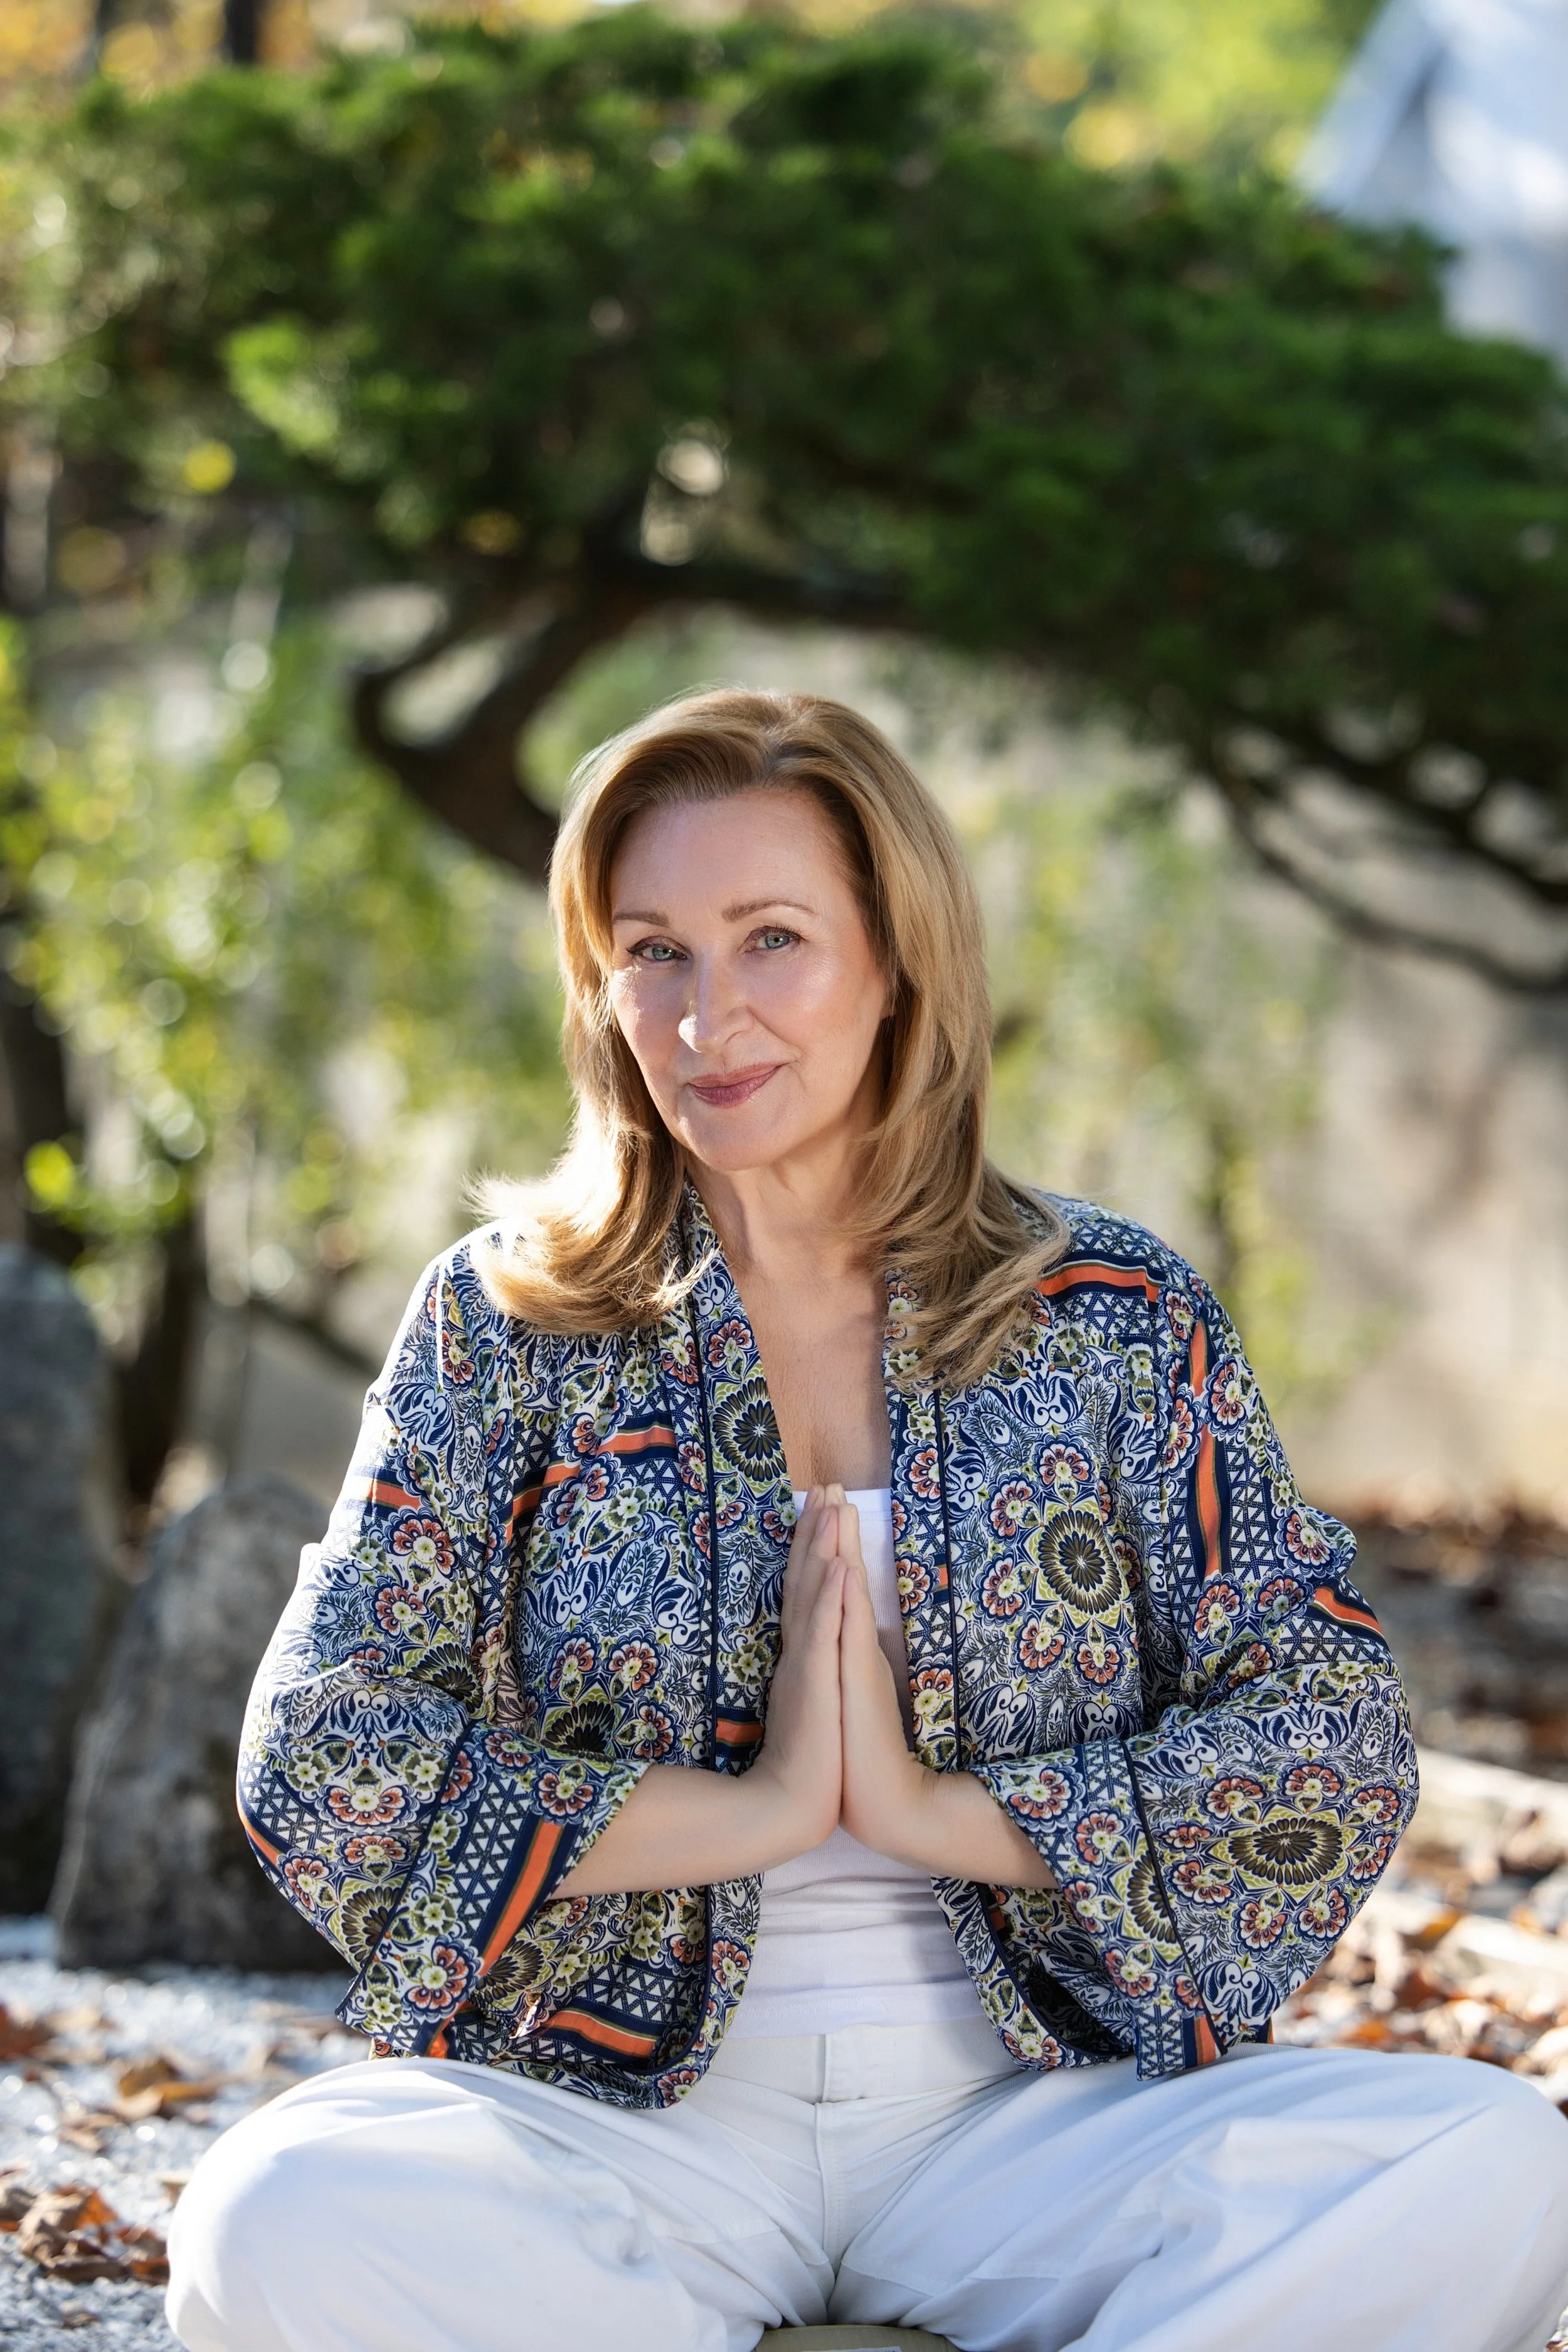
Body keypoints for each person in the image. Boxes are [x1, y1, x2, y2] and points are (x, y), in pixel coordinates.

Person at [167, 690, 1568, 2352]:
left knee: (1494, 2163)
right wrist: (755, 1809)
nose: (704, 1018)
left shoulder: (1107, 1315)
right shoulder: (507, 1324)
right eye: (653, 950)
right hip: (624, 2117)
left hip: (1027, 2111)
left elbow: (1325, 1736)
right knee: (280, 2217)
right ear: (598, 983)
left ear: (897, 960)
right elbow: (320, 1750)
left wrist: (923, 1808)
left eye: (772, 940)